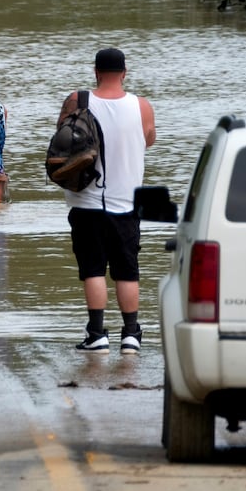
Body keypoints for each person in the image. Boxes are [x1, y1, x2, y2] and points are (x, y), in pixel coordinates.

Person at [60, 48, 156, 355]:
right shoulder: (142, 106)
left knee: (93, 270)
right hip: (127, 203)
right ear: (125, 73)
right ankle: (131, 335)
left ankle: (97, 334)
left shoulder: (78, 100)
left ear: (96, 71)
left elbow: (61, 140)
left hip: (86, 200)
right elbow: (149, 139)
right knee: (127, 271)